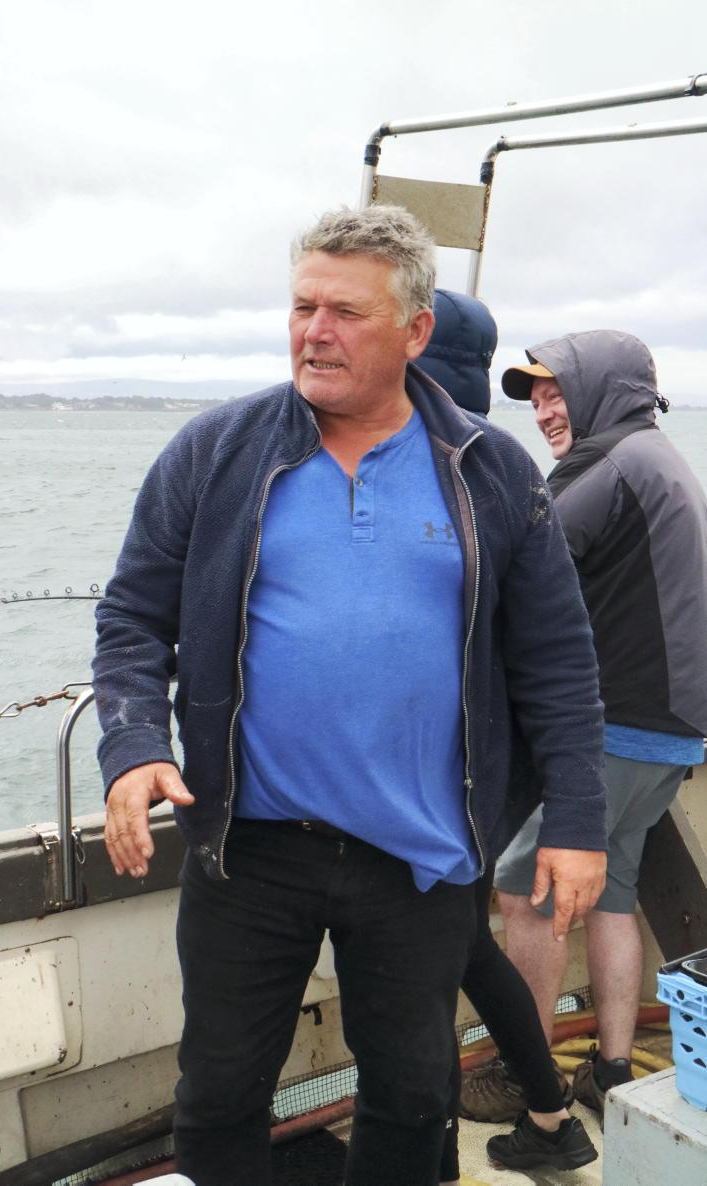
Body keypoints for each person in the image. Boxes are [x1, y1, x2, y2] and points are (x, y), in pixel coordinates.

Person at [92, 206, 608, 1186]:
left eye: (345, 313)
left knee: (413, 1097)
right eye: (302, 307)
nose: (314, 332)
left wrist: (578, 820)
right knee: (217, 1095)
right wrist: (133, 745)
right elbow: (131, 617)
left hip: (419, 852)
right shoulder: (215, 451)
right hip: (249, 844)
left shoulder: (491, 471)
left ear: (415, 331)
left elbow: (558, 662)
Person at [494, 330, 707, 1120]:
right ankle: (611, 1071)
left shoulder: (608, 465)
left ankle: (527, 1085)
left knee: (527, 892)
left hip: (615, 724)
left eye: (558, 393)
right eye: (537, 399)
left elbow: (518, 566)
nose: (545, 412)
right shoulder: (656, 456)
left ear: (602, 391)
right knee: (613, 893)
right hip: (672, 731)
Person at [417, 294, 598, 1174]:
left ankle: (463, 1143)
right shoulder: (504, 469)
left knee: (428, 970)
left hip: (446, 782)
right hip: (492, 780)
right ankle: (553, 1115)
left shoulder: (459, 473)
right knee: (468, 951)